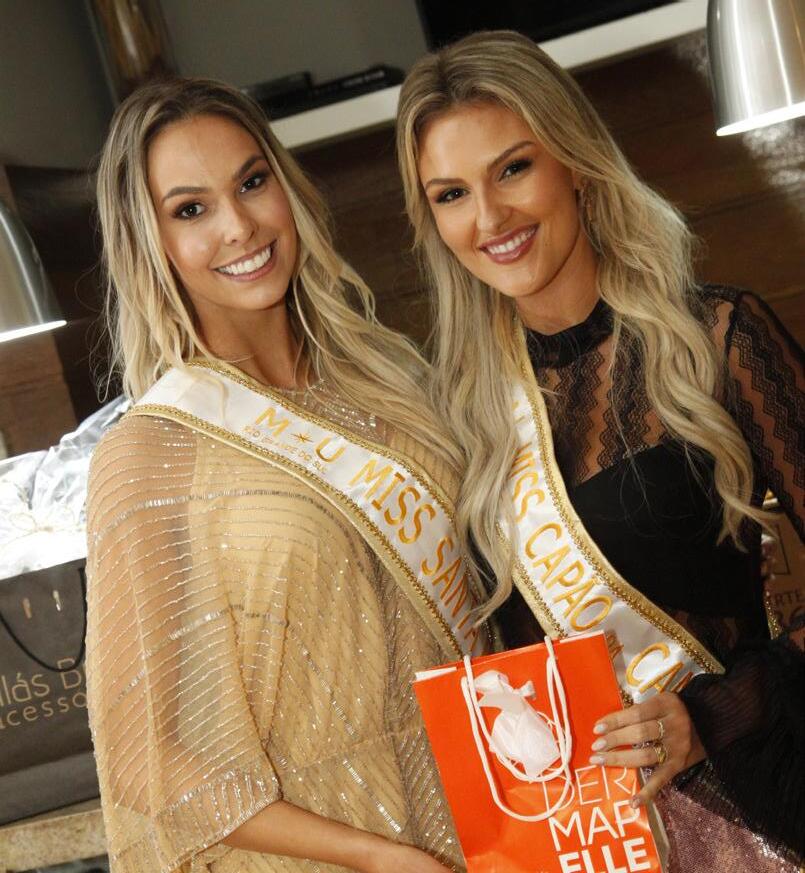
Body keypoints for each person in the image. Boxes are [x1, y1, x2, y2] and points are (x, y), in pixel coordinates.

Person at [395, 30, 804, 871]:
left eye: (513, 168)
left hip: (762, 811)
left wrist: (715, 711)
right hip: (591, 841)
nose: (488, 219)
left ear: (574, 162)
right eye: (451, 194)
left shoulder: (713, 341)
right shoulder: (453, 421)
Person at [85, 77, 488, 873]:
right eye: (190, 209)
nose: (239, 226)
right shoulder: (150, 451)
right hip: (332, 855)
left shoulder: (393, 380)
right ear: (148, 242)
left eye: (251, 182)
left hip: (483, 822)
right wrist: (375, 857)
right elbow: (142, 756)